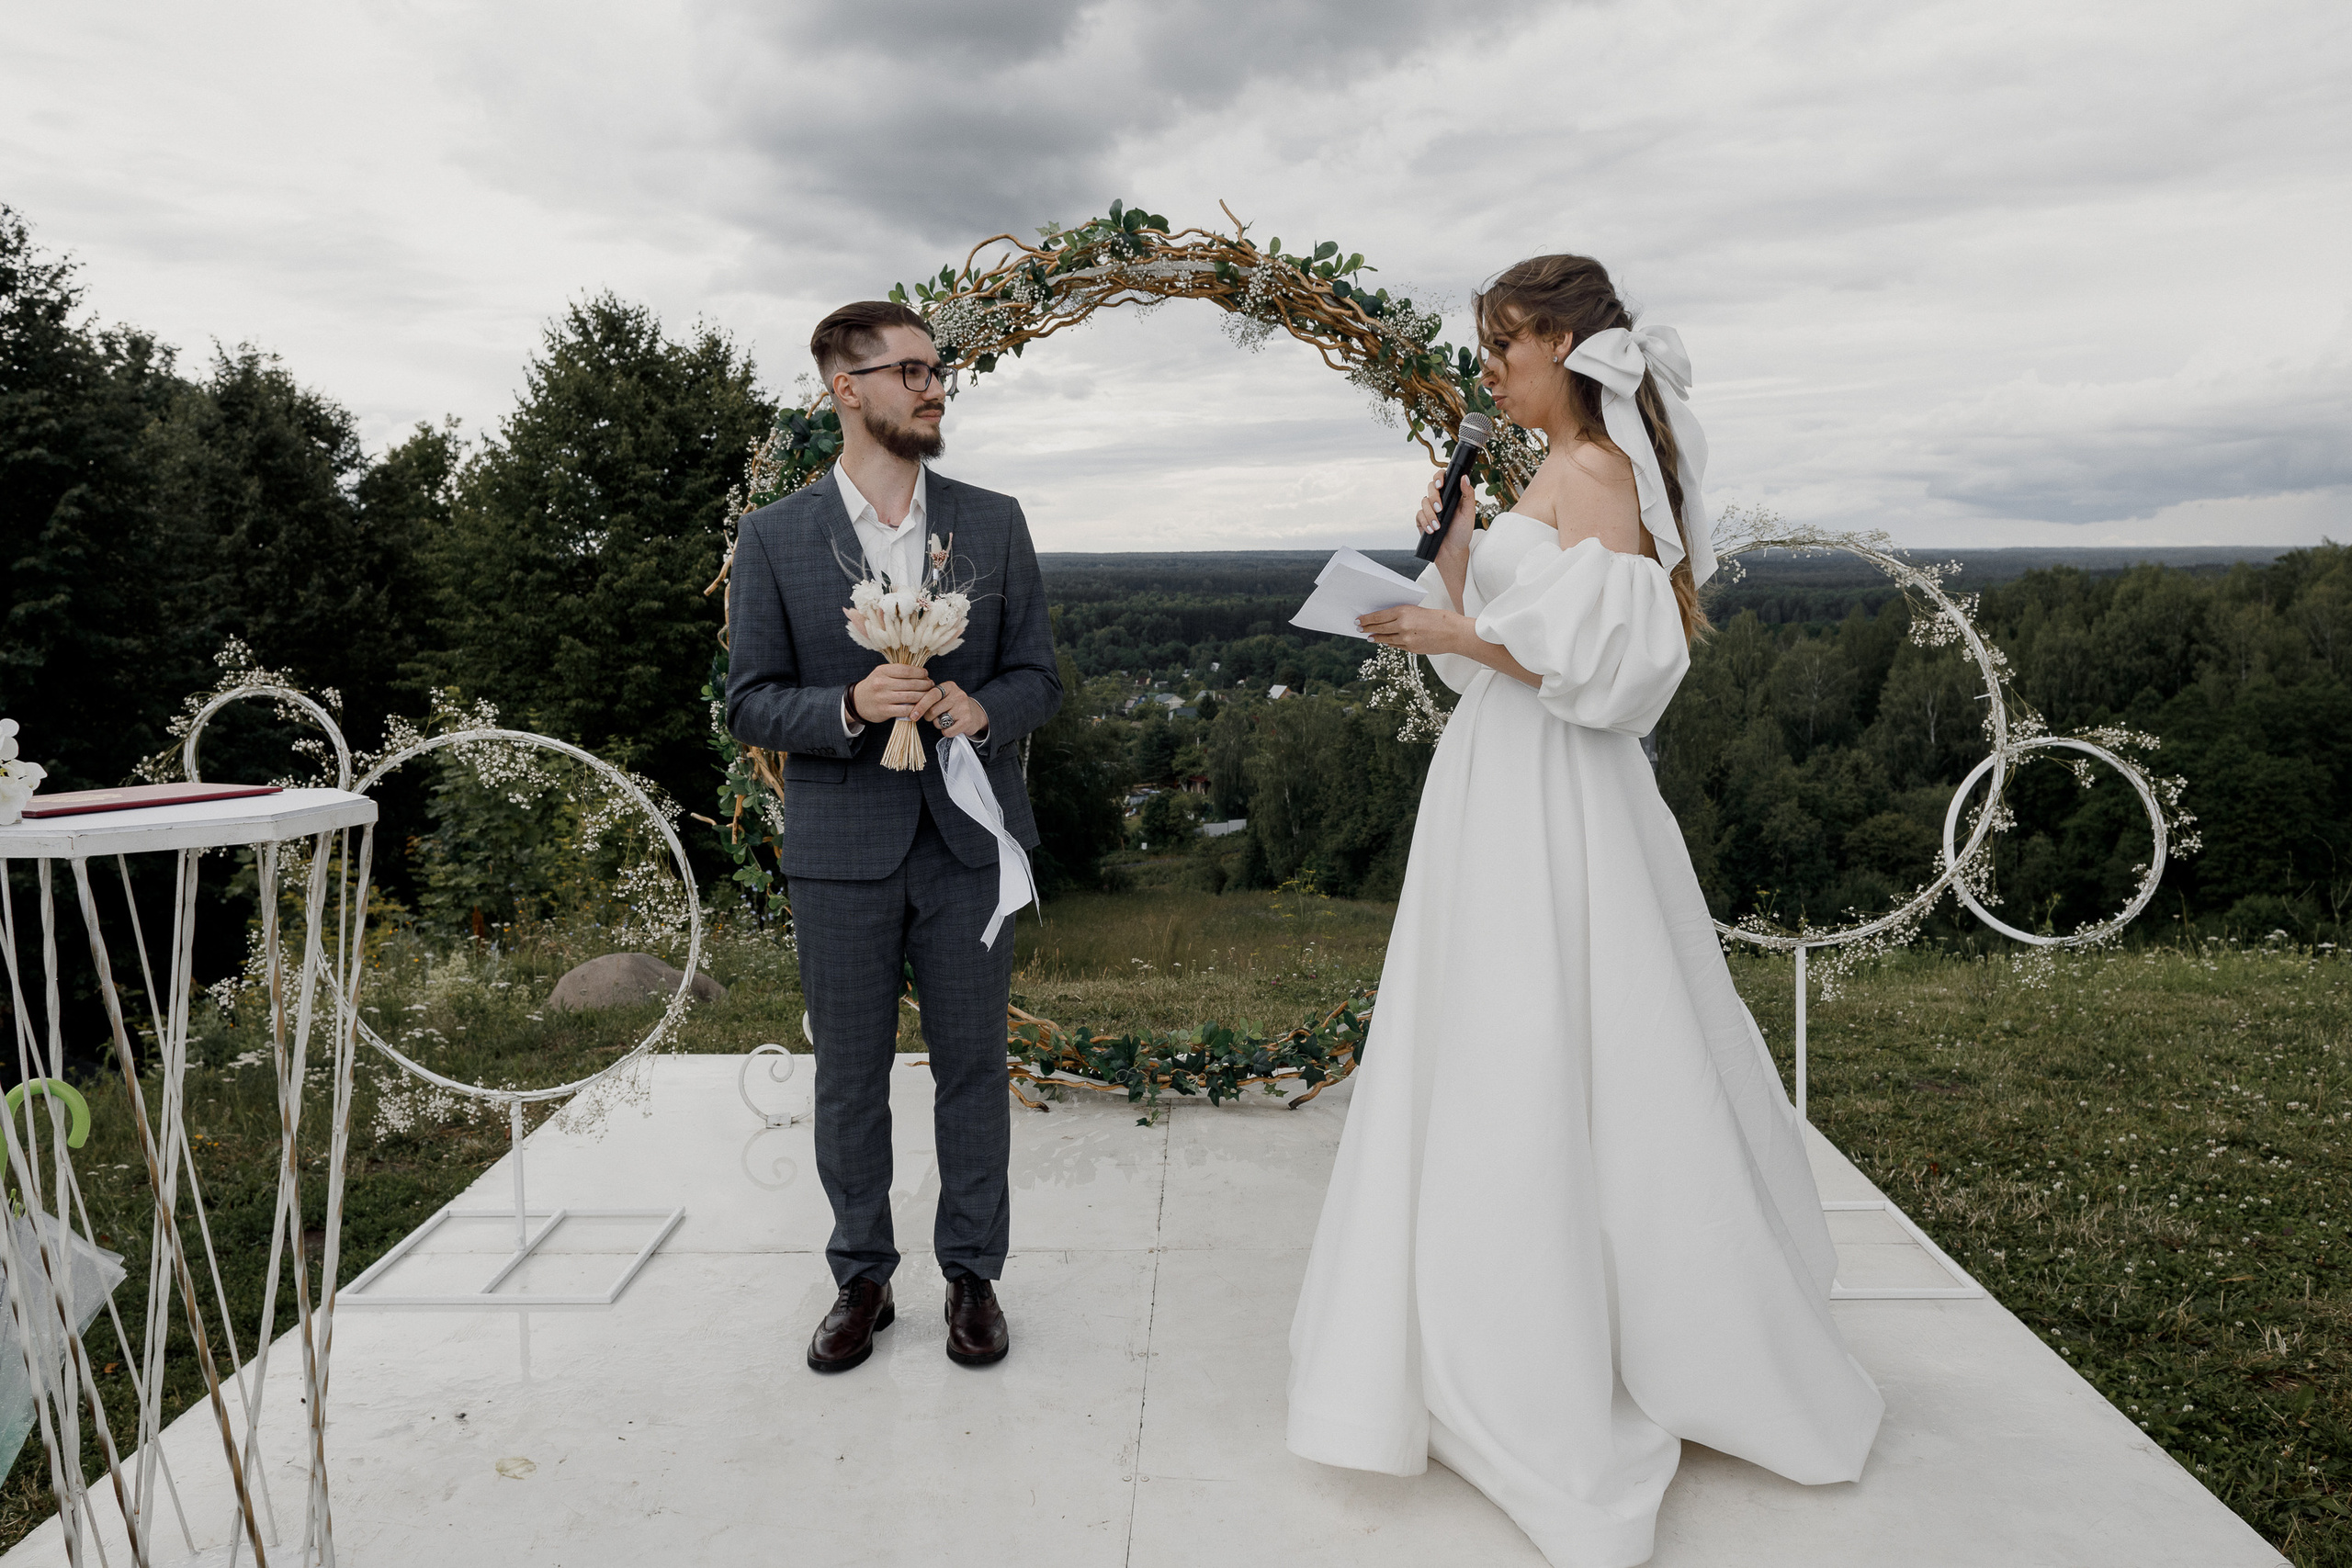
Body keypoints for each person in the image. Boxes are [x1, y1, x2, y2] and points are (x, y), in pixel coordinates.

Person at [1287, 255, 1883, 1567]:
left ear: (1562, 339)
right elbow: (1500, 641)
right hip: (1497, 778)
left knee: (1554, 1035)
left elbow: (1618, 670)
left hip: (1558, 791)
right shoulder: (1544, 480)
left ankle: (1587, 1339)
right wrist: (1447, 557)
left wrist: (1460, 635)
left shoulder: (1602, 474)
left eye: (1502, 344)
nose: (1489, 370)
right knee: (1487, 1033)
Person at [727, 300, 1060, 1374]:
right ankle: (860, 1279)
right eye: (909, 370)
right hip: (838, 852)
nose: (932, 386)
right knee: (849, 1076)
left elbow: (1038, 679)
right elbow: (749, 702)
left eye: (936, 369)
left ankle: (973, 1277)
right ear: (846, 389)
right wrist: (849, 708)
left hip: (967, 842)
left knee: (973, 1067)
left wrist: (983, 709)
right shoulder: (775, 537)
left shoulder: (993, 520)